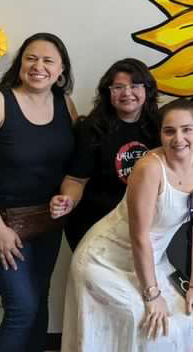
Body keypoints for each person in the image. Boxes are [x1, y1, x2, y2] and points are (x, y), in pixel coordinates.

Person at [61, 98, 193, 351]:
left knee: (190, 316)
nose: (178, 139)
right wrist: (151, 294)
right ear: (160, 134)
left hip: (153, 260)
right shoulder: (149, 168)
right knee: (149, 322)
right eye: (169, 131)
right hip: (104, 261)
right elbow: (140, 236)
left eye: (187, 129)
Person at [0, 33, 76, 352]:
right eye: (31, 58)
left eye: (48, 61)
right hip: (0, 221)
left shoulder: (64, 104)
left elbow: (70, 166)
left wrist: (66, 197)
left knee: (38, 301)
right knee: (22, 308)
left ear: (61, 71)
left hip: (46, 221)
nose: (38, 66)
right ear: (20, 64)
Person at [50, 58, 159, 249]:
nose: (127, 93)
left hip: (143, 227)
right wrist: (68, 199)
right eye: (118, 87)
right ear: (108, 92)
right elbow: (76, 180)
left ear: (147, 90)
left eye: (135, 86)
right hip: (95, 226)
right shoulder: (91, 129)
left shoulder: (160, 127)